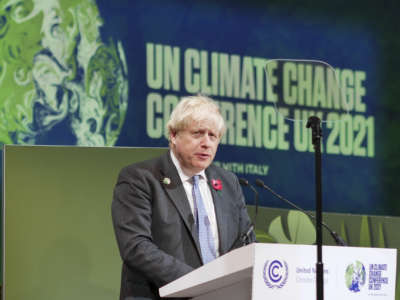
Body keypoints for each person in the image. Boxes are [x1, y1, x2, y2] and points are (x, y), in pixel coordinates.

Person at [112, 95, 255, 300]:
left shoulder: (228, 183)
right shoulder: (140, 179)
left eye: (213, 136)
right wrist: (199, 283)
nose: (206, 143)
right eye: (197, 133)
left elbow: (245, 243)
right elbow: (136, 248)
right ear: (173, 135)